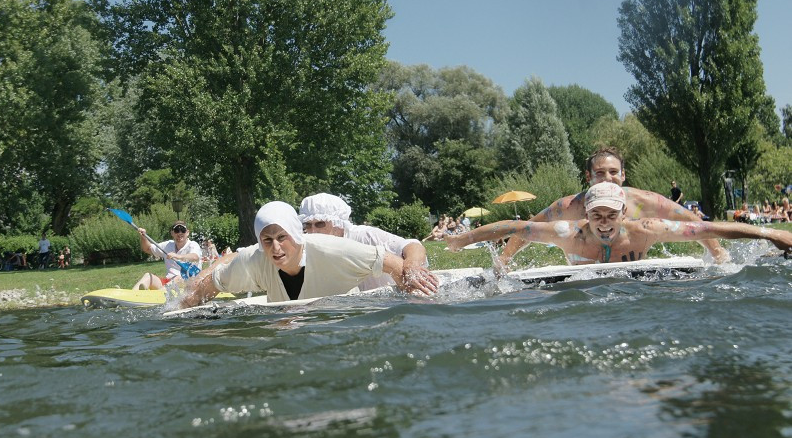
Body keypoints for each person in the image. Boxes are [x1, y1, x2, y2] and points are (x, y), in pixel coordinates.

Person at [445, 182, 792, 265]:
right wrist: (463, 240)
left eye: (612, 215)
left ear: (624, 214)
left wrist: (769, 232)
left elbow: (707, 228)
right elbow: (514, 227)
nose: (604, 223)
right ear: (586, 215)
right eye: (596, 215)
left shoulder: (648, 229)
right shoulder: (568, 233)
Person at [496, 147, 728, 266]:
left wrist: (718, 257)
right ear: (588, 177)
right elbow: (524, 229)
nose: (607, 178)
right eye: (599, 173)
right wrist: (503, 265)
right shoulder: (569, 206)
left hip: (631, 284)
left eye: (613, 172)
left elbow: (692, 222)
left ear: (623, 175)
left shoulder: (643, 200)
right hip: (582, 287)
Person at [179, 201, 421, 308]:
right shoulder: (253, 260)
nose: (276, 248)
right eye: (267, 240)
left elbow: (390, 262)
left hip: (345, 324)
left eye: (282, 237)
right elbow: (214, 282)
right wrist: (185, 307)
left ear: (296, 234)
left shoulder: (332, 249)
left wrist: (415, 300)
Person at [298, 193, 438, 294]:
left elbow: (412, 246)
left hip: (394, 300)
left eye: (320, 223)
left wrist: (412, 265)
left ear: (338, 223)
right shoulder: (308, 247)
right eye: (308, 225)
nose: (313, 231)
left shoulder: (365, 236)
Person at [132, 220, 202, 290]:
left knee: (178, 278)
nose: (180, 233)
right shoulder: (168, 245)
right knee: (148, 276)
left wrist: (178, 256)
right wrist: (143, 237)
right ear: (172, 233)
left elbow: (195, 257)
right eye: (176, 230)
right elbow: (147, 249)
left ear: (187, 233)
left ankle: (158, 295)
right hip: (168, 283)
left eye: (183, 230)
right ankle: (132, 295)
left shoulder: (193, 244)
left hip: (187, 287)